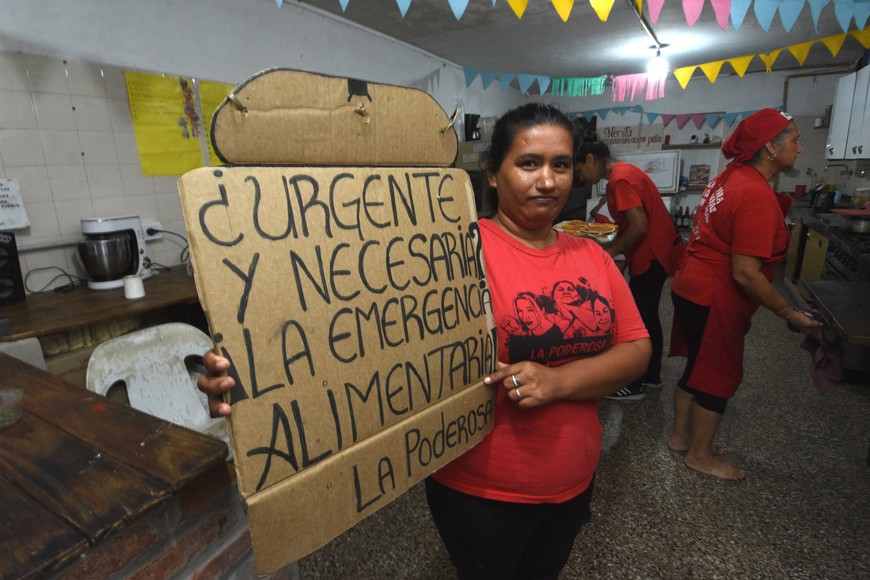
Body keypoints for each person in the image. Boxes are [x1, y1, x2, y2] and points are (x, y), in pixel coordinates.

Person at [197, 103, 651, 579]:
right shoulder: (448, 250)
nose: (548, 181)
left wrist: (558, 383)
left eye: (560, 164)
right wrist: (252, 376)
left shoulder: (591, 256)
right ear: (493, 174)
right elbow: (353, 335)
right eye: (529, 163)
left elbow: (635, 350)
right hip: (481, 492)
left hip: (573, 480)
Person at [667, 108, 820, 481]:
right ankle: (700, 455)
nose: (800, 149)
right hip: (715, 294)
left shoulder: (730, 176)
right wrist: (788, 313)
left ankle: (681, 437)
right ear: (770, 147)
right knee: (718, 375)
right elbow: (746, 273)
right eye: (796, 140)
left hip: (689, 285)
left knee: (696, 367)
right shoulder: (753, 192)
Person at [575, 138, 686, 401]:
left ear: (591, 159)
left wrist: (611, 252)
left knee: (638, 323)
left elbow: (638, 226)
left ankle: (635, 384)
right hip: (656, 253)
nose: (581, 177)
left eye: (579, 170)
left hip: (652, 254)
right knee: (648, 317)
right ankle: (652, 376)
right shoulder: (625, 173)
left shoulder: (620, 180)